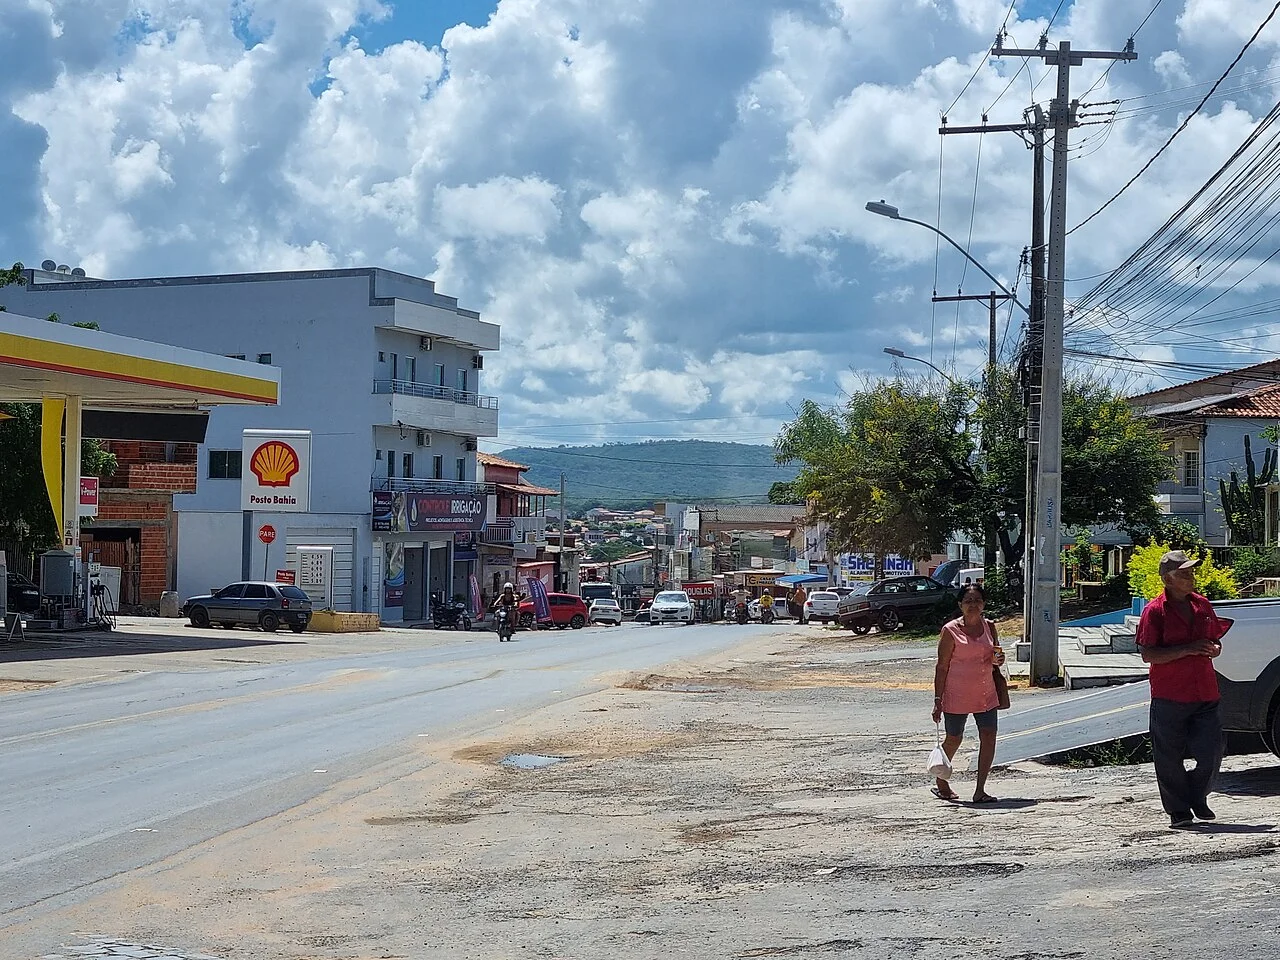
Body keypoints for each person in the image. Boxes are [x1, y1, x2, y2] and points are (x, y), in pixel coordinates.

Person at [1136, 550, 1229, 829]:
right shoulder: (1154, 611)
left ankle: (1197, 795)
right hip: (1170, 694)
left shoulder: (1202, 605)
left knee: (1212, 752)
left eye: (1191, 572)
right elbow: (1148, 654)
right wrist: (1188, 649)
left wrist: (1214, 649)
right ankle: (1179, 811)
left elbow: (1215, 641)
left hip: (1205, 691)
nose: (1191, 577)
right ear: (1168, 579)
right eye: (1184, 573)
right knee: (1169, 756)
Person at [931, 583, 1004, 804]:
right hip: (957, 694)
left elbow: (996, 656)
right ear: (960, 605)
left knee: (989, 736)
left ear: (984, 604)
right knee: (954, 738)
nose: (973, 605)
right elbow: (941, 667)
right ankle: (941, 781)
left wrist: (998, 660)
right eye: (968, 601)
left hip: (985, 691)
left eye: (977, 600)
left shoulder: (989, 626)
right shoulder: (950, 630)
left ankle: (980, 789)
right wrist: (937, 700)